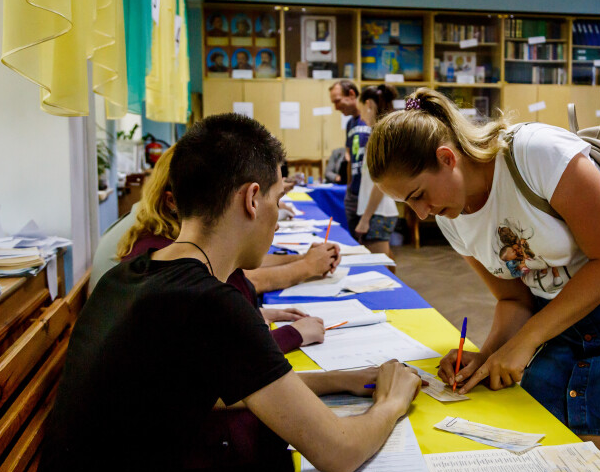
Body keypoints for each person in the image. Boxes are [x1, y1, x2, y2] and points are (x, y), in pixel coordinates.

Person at [38, 113, 423, 472]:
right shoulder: (210, 303)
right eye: (277, 198)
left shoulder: (129, 275)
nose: (277, 217)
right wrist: (392, 401)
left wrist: (339, 379)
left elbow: (220, 392)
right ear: (252, 199)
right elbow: (339, 452)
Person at [366, 88, 600, 465]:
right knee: (538, 421)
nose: (421, 213)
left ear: (447, 158)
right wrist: (486, 355)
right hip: (565, 319)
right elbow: (514, 298)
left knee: (596, 440)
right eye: (408, 204)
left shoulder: (535, 153)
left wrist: (526, 342)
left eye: (418, 195)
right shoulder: (452, 216)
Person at [107, 147, 336, 352]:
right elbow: (232, 355)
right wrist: (291, 331)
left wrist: (302, 260)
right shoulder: (177, 267)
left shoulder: (163, 240)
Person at [355, 85, 399, 260]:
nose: (361, 116)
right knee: (384, 260)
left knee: (378, 265)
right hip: (377, 211)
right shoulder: (379, 133)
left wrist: (365, 218)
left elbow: (380, 183)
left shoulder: (381, 136)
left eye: (361, 110)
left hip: (378, 212)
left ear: (368, 105)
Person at [328, 80, 369, 235]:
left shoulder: (371, 119)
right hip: (354, 194)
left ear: (351, 94)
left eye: (337, 101)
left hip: (370, 195)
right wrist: (350, 191)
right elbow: (349, 159)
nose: (336, 107)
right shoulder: (350, 124)